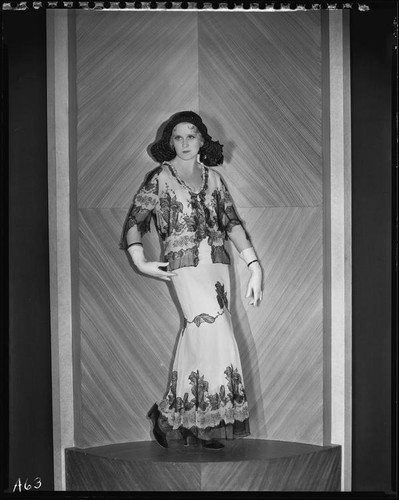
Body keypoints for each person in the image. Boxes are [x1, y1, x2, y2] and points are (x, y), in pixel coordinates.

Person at [120, 111, 262, 450]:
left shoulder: (213, 179)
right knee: (208, 333)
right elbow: (134, 221)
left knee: (203, 340)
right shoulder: (160, 178)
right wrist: (140, 260)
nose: (185, 143)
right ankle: (182, 418)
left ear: (202, 140)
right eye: (178, 137)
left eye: (191, 136)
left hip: (216, 265)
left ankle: (186, 421)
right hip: (184, 267)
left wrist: (254, 264)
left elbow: (232, 223)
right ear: (170, 141)